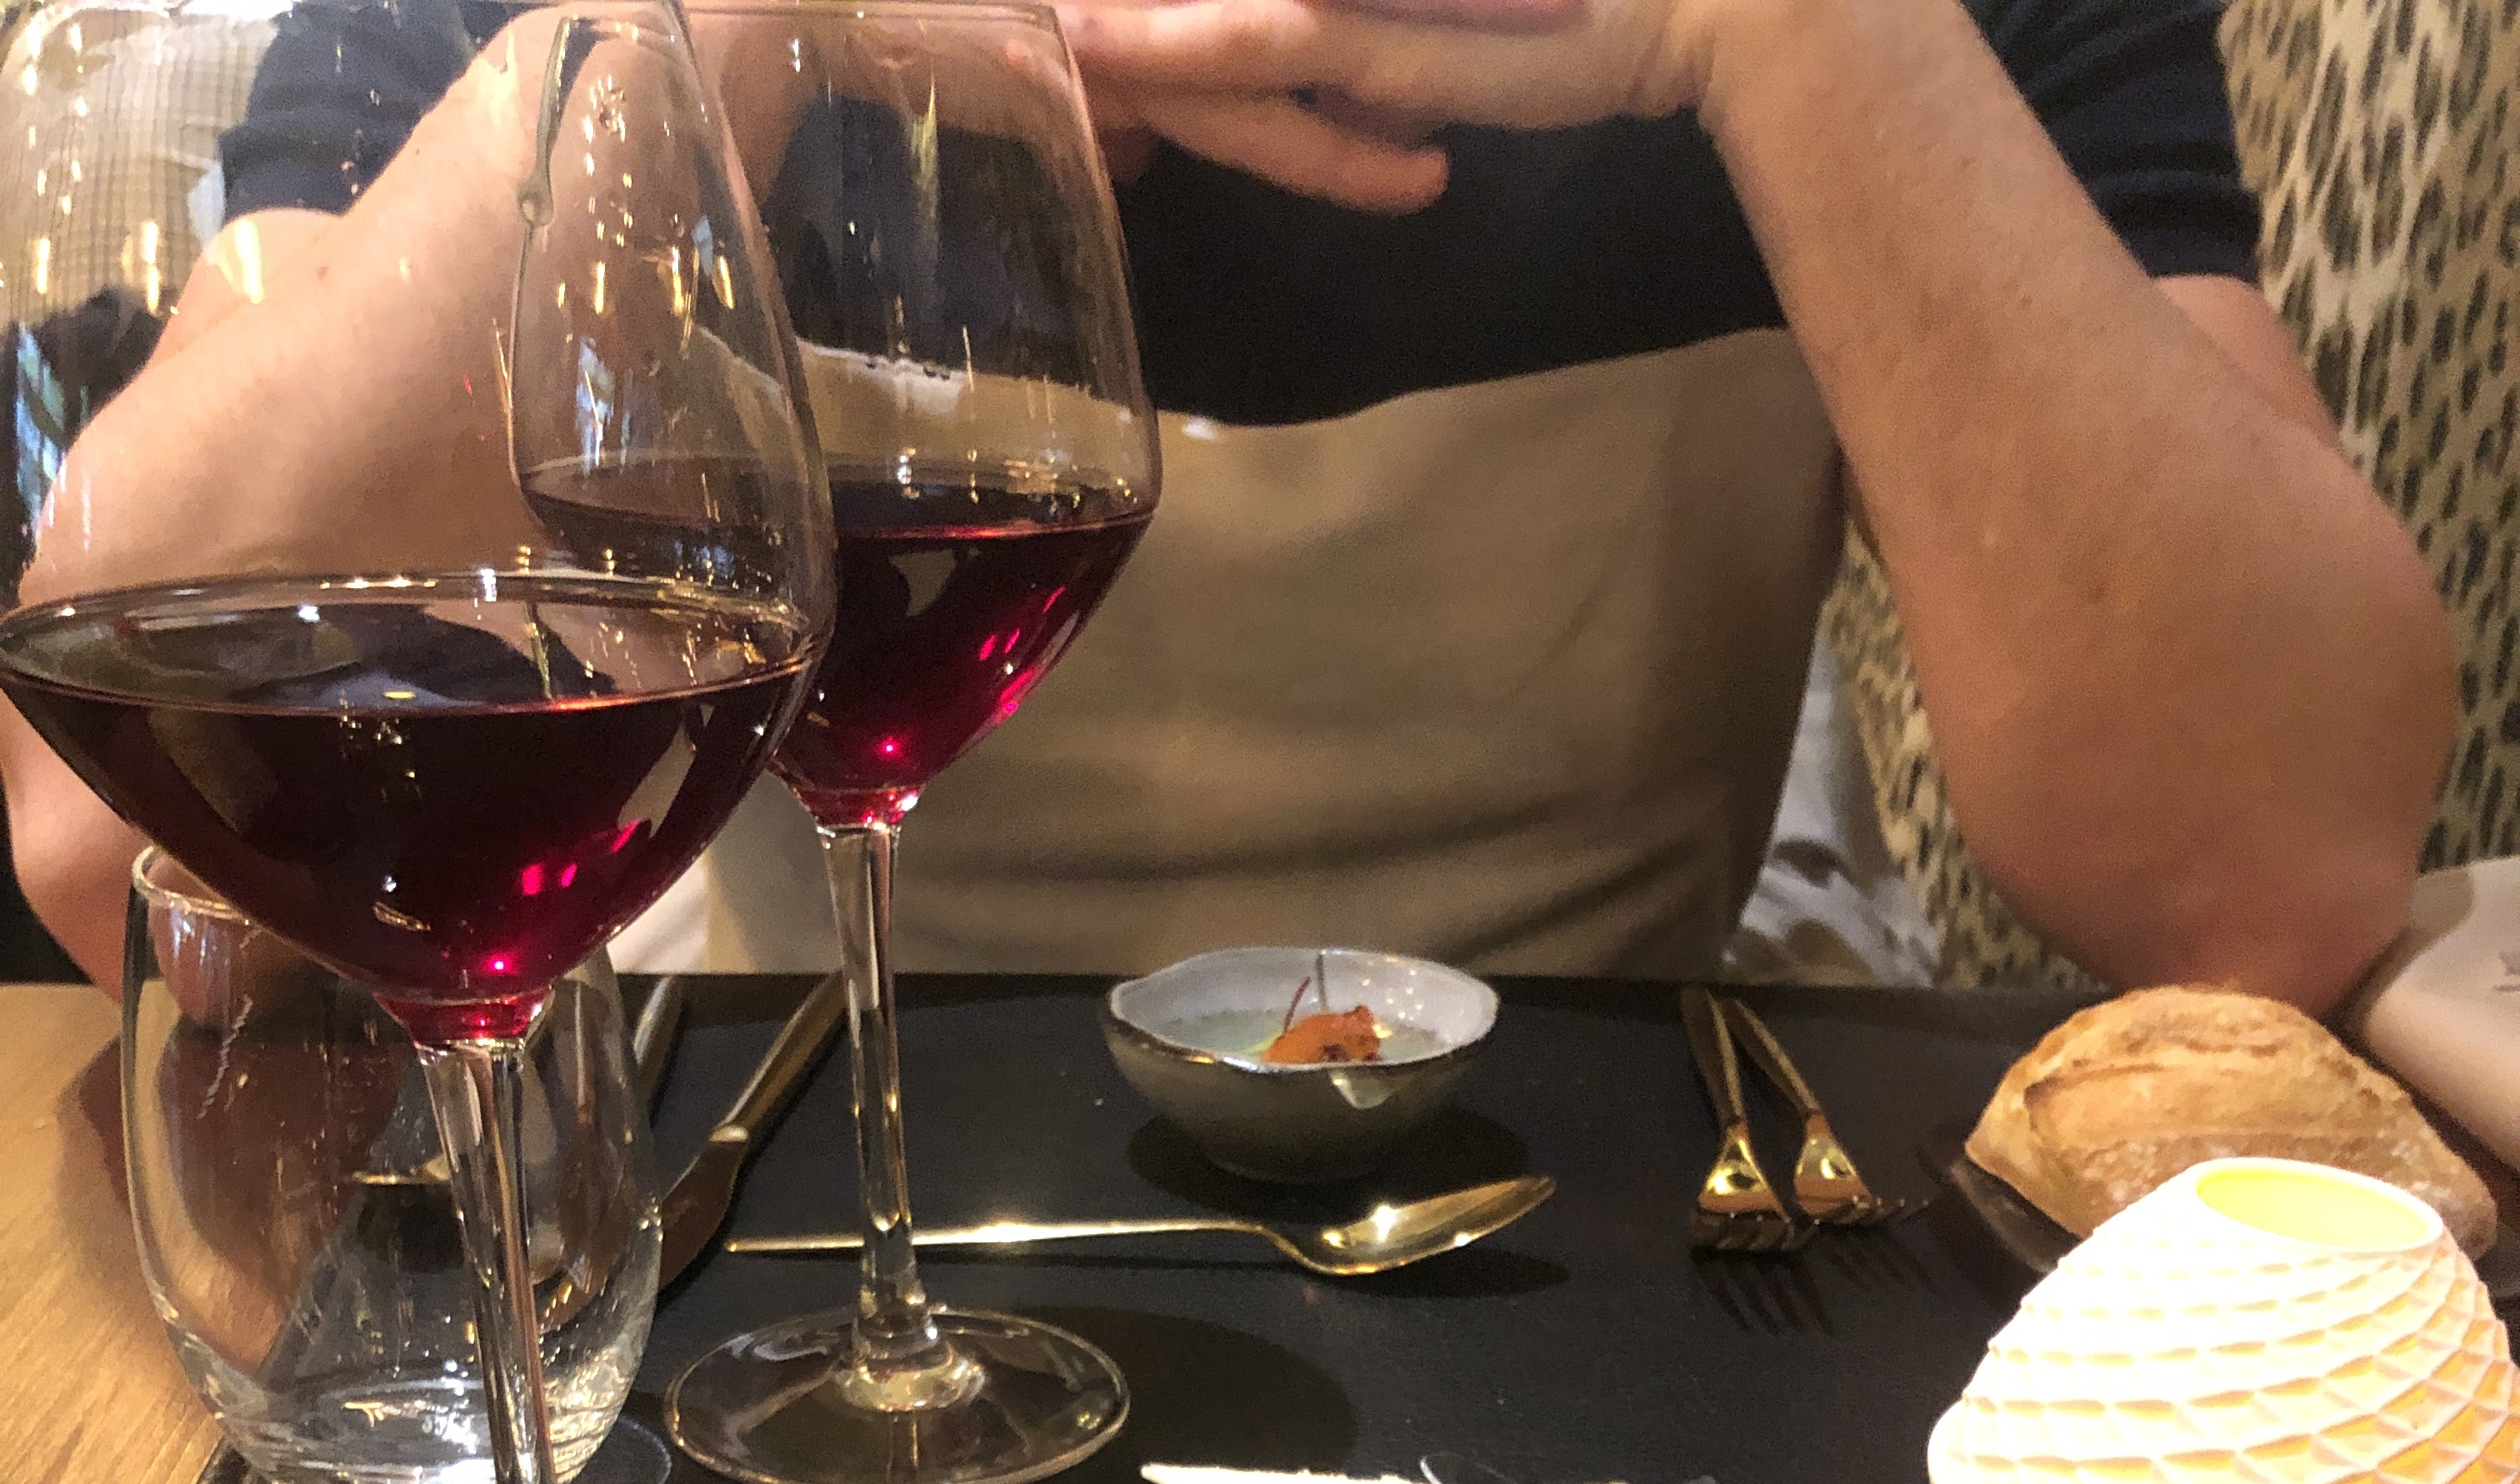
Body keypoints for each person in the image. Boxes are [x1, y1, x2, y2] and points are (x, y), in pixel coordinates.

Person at [0, 0, 2455, 1008]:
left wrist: (1783, 35)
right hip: (770, 1183)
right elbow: (129, 859)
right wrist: (718, 38)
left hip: (1637, 1210)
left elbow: (2268, 867)